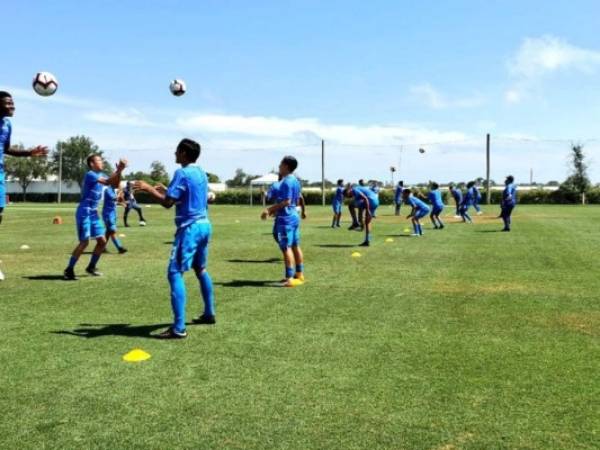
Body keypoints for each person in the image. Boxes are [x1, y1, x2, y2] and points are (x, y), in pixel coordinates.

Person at [134, 138, 215, 339]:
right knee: (201, 269)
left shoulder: (182, 172)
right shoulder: (201, 173)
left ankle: (179, 328)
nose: (174, 154)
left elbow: (168, 203)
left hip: (190, 228)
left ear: (184, 154)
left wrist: (147, 188)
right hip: (205, 225)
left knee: (174, 272)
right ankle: (209, 313)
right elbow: (186, 195)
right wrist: (166, 190)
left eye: (177, 151)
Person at [0, 91, 48, 281]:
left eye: (13, 103)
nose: (13, 106)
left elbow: (6, 148)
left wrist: (29, 152)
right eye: (8, 103)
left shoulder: (7, 124)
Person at [63, 155, 127, 280]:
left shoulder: (100, 174)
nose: (102, 162)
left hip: (93, 213)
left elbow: (113, 184)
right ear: (92, 164)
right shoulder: (91, 174)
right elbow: (108, 182)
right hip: (84, 212)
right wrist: (119, 169)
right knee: (84, 242)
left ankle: (91, 267)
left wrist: (120, 170)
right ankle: (69, 269)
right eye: (99, 160)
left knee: (102, 241)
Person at [261, 156, 305, 287]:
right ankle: (299, 274)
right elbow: (295, 201)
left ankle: (289, 278)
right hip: (294, 217)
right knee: (296, 246)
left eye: (281, 164)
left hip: (285, 219)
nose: (279, 166)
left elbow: (287, 201)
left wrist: (269, 210)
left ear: (286, 166)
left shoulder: (286, 182)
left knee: (286, 248)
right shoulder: (295, 181)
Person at [344, 182, 379, 246]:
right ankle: (367, 240)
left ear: (348, 191)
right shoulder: (356, 190)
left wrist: (367, 210)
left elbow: (365, 198)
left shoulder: (355, 190)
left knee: (351, 205)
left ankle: (355, 223)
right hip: (375, 201)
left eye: (348, 196)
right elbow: (361, 205)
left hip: (370, 200)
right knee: (367, 222)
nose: (350, 197)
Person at [102, 185, 127, 254]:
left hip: (113, 214)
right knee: (112, 231)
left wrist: (122, 203)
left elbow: (115, 201)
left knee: (108, 232)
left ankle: (102, 247)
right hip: (108, 214)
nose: (119, 183)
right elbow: (114, 198)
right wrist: (120, 191)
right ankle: (120, 248)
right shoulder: (108, 190)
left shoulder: (113, 190)